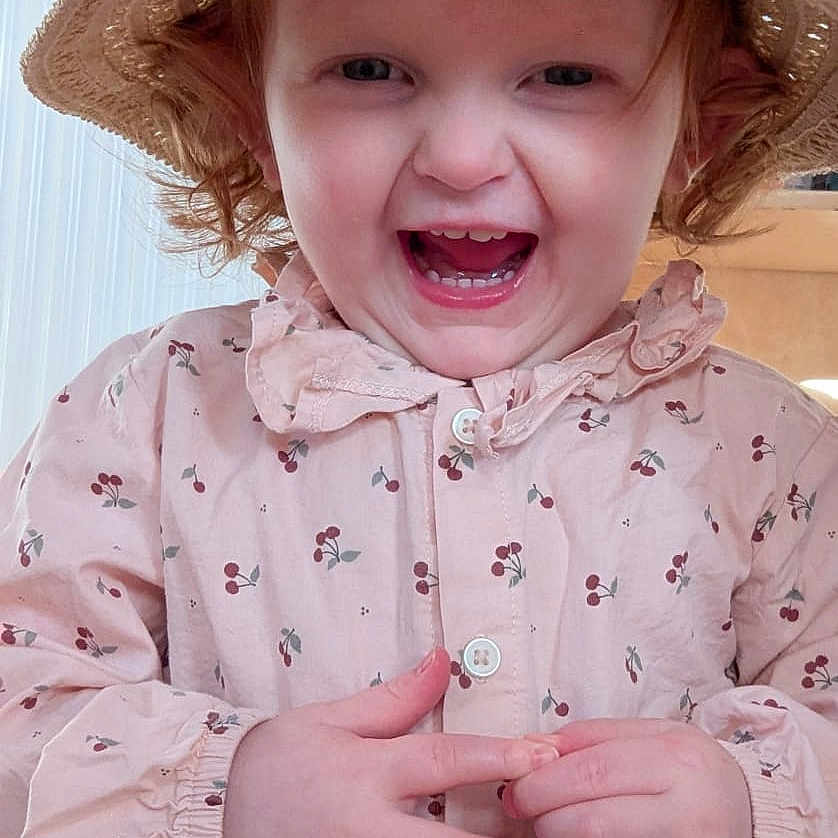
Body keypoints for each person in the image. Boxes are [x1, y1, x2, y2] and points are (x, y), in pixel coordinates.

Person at [2, 0, 837, 835]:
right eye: (369, 70)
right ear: (250, 111)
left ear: (699, 127)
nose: (462, 158)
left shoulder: (777, 456)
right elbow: (21, 700)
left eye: (566, 76)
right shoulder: (146, 416)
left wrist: (751, 803)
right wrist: (221, 793)